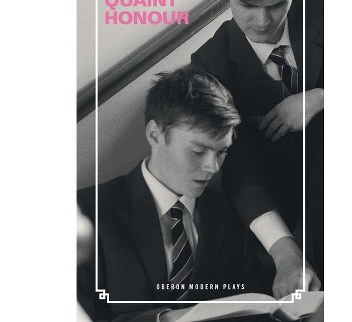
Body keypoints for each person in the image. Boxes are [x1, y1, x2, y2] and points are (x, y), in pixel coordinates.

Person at [191, 0, 324, 298]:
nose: (263, 22)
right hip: (281, 213)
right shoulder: (211, 64)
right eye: (248, 6)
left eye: (277, 4)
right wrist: (286, 255)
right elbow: (239, 167)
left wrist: (321, 97)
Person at [77, 66, 269, 322]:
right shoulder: (87, 212)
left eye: (222, 152)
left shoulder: (229, 216)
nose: (213, 167)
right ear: (155, 135)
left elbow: (254, 306)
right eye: (198, 151)